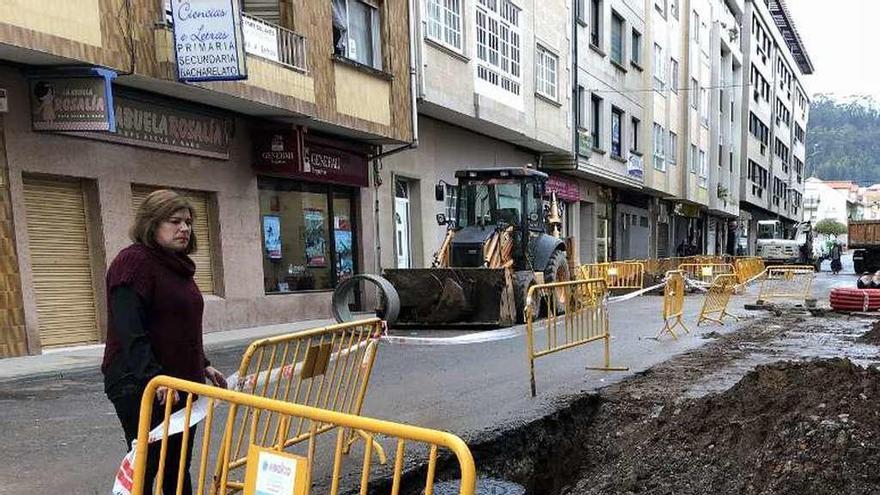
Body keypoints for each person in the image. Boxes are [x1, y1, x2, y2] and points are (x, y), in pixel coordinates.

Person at [101, 190, 226, 495]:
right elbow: (130, 330)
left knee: (177, 465)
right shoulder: (133, 262)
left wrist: (204, 365)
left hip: (182, 381)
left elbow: (177, 325)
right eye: (175, 221)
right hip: (140, 383)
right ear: (152, 223)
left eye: (188, 222)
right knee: (148, 465)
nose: (185, 228)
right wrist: (154, 379)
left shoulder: (177, 266)